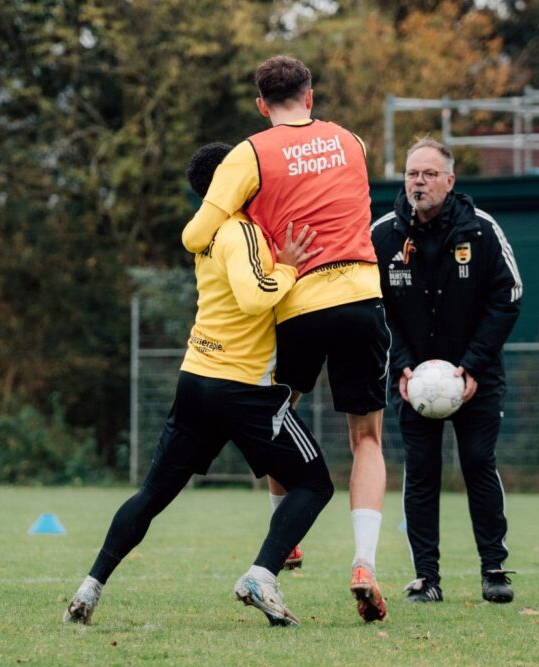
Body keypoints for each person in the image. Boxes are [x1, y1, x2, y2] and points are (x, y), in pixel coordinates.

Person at [62, 143, 334, 627]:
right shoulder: (242, 232)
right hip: (242, 387)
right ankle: (261, 574)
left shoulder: (207, 234)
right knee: (315, 482)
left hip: (196, 379)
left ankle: (91, 585)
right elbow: (255, 297)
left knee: (153, 493)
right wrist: (290, 267)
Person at [181, 56, 390, 622]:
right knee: (366, 438)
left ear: (259, 104)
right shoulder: (351, 142)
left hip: (298, 304)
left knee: (278, 415)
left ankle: (287, 537)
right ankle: (365, 561)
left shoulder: (251, 153)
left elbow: (197, 231)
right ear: (311, 96)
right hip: (361, 295)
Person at [370, 138, 523, 604]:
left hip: (475, 377)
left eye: (430, 174)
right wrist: (401, 365)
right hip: (412, 380)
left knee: (478, 463)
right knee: (420, 470)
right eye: (413, 174)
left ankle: (494, 569)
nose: (419, 181)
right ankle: (426, 578)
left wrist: (473, 364)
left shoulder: (480, 229)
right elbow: (374, 305)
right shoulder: (383, 235)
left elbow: (509, 295)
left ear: (450, 181)